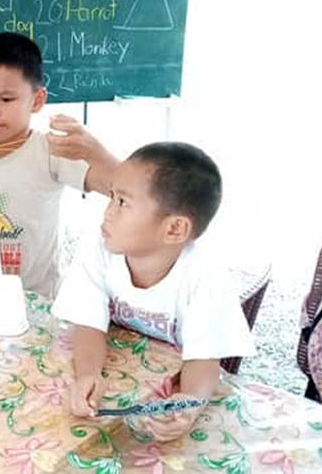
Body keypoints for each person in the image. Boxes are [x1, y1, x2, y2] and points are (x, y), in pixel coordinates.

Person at [51, 142, 254, 441]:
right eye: (111, 197)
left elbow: (205, 359)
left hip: (169, 384)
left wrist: (188, 404)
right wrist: (88, 375)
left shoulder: (204, 276)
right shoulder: (99, 247)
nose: (107, 213)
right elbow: (89, 323)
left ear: (174, 229)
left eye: (122, 202)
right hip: (127, 376)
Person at [0, 32, 117, 297]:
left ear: (37, 100)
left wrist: (97, 153)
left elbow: (123, 187)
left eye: (6, 99)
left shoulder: (50, 151)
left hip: (36, 303)